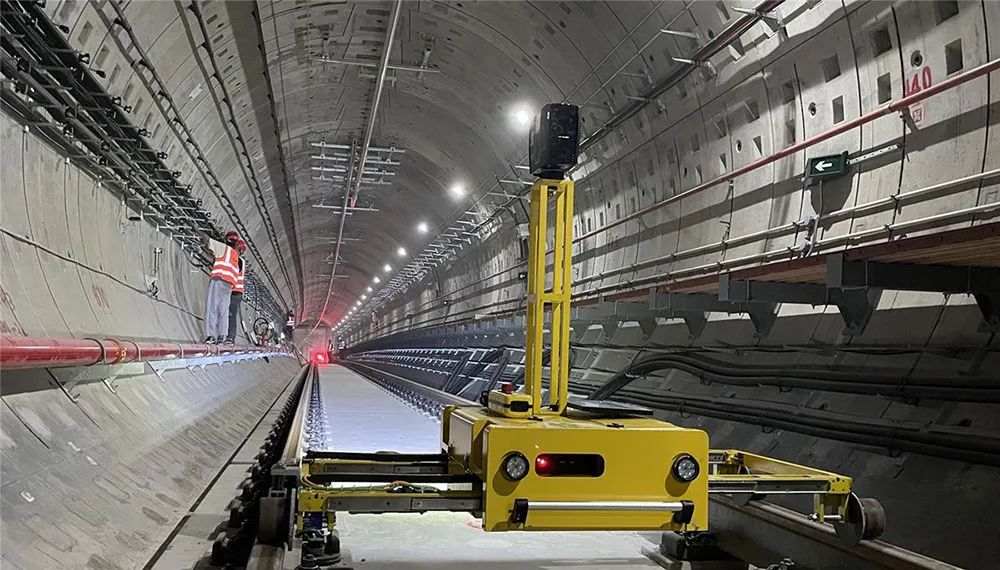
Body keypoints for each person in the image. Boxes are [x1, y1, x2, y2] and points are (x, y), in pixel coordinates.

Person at [203, 230, 241, 343]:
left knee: (212, 308)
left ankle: (211, 336)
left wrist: (198, 231)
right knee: (224, 311)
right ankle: (222, 336)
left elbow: (207, 241)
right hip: (228, 286)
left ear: (227, 239)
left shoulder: (223, 248)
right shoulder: (235, 256)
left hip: (218, 280)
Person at [223, 240, 248, 345]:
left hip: (235, 292)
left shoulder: (238, 261)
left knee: (231, 315)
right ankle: (226, 336)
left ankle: (230, 338)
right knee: (227, 314)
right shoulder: (238, 260)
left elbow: (232, 272)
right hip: (233, 291)